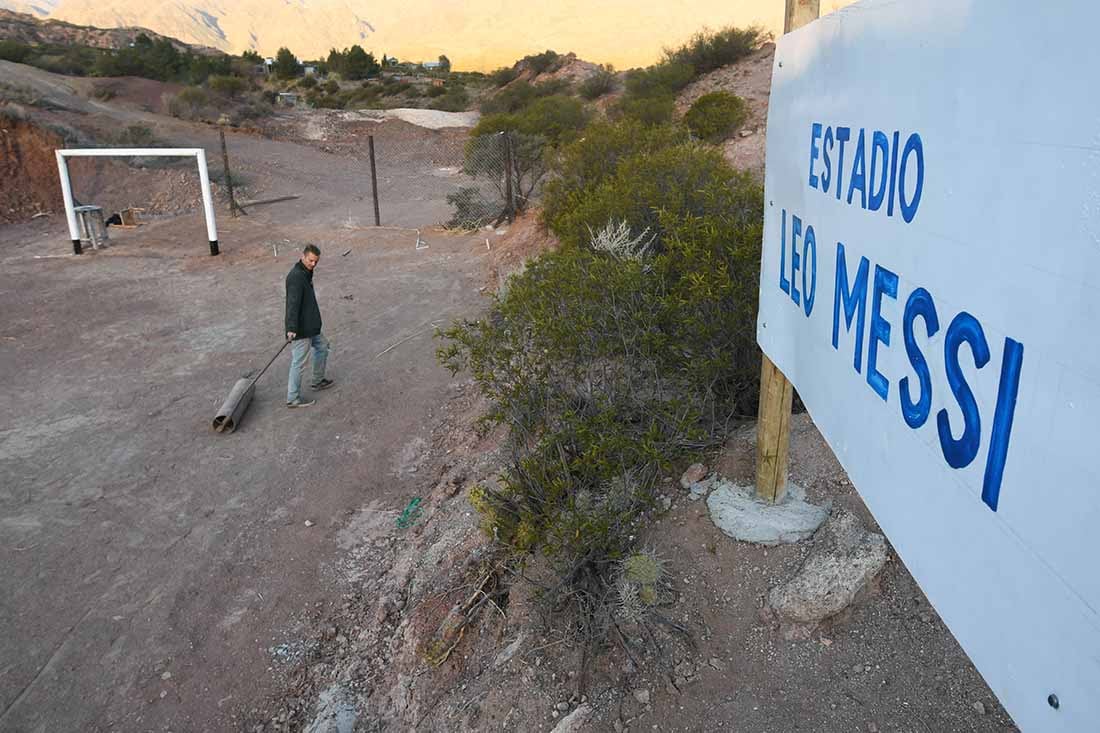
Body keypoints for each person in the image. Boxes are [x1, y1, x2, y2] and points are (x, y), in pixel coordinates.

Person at [285, 244, 334, 407]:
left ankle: (317, 380)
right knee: (299, 363)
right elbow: (292, 304)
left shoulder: (306, 272)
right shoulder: (296, 277)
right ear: (303, 256)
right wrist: (291, 328)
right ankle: (292, 398)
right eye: (311, 260)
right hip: (301, 329)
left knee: (323, 346)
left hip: (312, 326)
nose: (313, 264)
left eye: (316, 262)